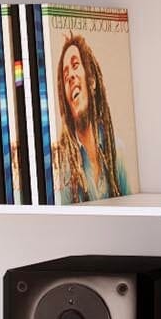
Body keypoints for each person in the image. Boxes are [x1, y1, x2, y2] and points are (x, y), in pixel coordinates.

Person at [51, 32, 128, 201]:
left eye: (76, 65)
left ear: (92, 81)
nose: (70, 76)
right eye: (65, 75)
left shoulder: (117, 152)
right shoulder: (62, 169)